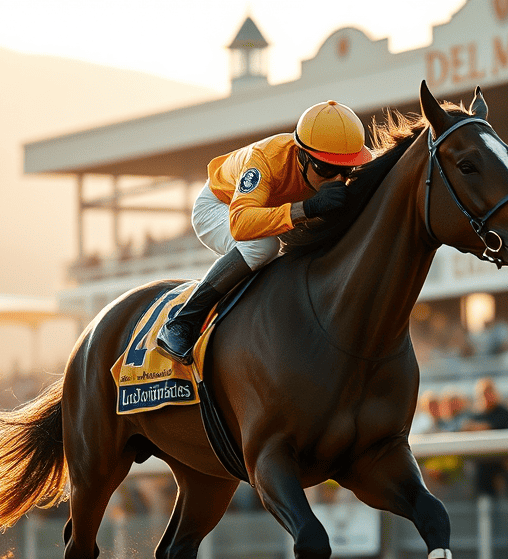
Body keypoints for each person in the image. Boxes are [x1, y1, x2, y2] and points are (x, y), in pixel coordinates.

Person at [157, 100, 373, 364]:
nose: (337, 180)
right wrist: (307, 207)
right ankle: (182, 321)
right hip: (219, 207)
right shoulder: (265, 161)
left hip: (267, 212)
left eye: (346, 169)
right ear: (301, 155)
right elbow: (240, 223)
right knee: (263, 246)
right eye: (327, 169)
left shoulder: (332, 167)